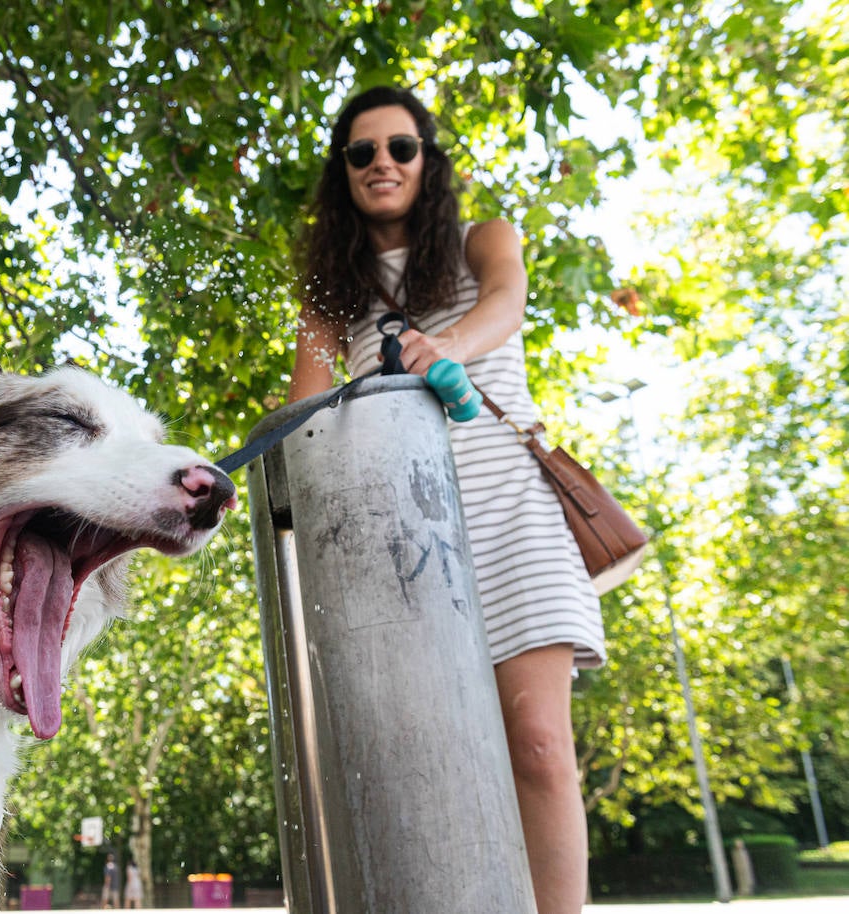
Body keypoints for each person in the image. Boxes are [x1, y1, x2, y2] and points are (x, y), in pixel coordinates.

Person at [290, 85, 606, 914]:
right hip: (403, 545)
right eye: (362, 153)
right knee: (435, 762)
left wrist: (444, 348)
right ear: (344, 171)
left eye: (401, 147)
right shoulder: (329, 296)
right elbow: (303, 418)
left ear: (428, 160)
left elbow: (506, 305)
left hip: (510, 513)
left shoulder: (482, 241)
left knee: (538, 746)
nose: (382, 164)